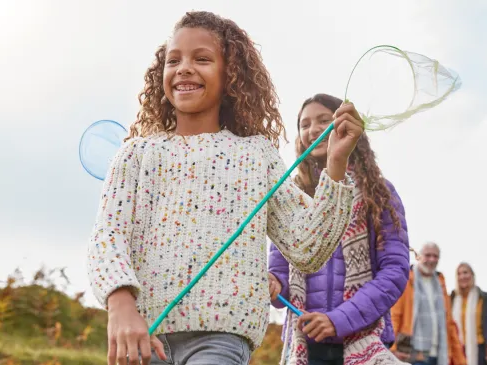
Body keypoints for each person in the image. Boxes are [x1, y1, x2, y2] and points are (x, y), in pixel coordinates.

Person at [87, 11, 365, 365]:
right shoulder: (136, 154)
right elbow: (106, 237)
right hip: (143, 338)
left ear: (231, 74)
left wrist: (335, 164)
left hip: (220, 342)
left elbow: (307, 246)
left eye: (201, 59)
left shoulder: (255, 154)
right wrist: (120, 305)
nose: (184, 68)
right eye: (174, 60)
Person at [267, 93, 410, 365]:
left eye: (324, 120)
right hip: (304, 346)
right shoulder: (290, 198)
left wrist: (338, 320)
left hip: (364, 340)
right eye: (305, 124)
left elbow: (394, 270)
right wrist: (274, 284)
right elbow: (279, 273)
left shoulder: (378, 192)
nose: (314, 130)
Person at [390, 242, 467, 365]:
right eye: (428, 255)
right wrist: (391, 349)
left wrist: (461, 361)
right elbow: (395, 316)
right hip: (412, 353)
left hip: (438, 354)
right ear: (419, 256)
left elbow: (449, 324)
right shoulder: (406, 280)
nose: (432, 259)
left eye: (435, 256)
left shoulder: (440, 283)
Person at [450, 263, 487, 365]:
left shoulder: (483, 298)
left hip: (479, 347)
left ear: (472, 275)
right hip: (457, 348)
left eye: (465, 272)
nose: (462, 276)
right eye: (459, 274)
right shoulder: (452, 299)